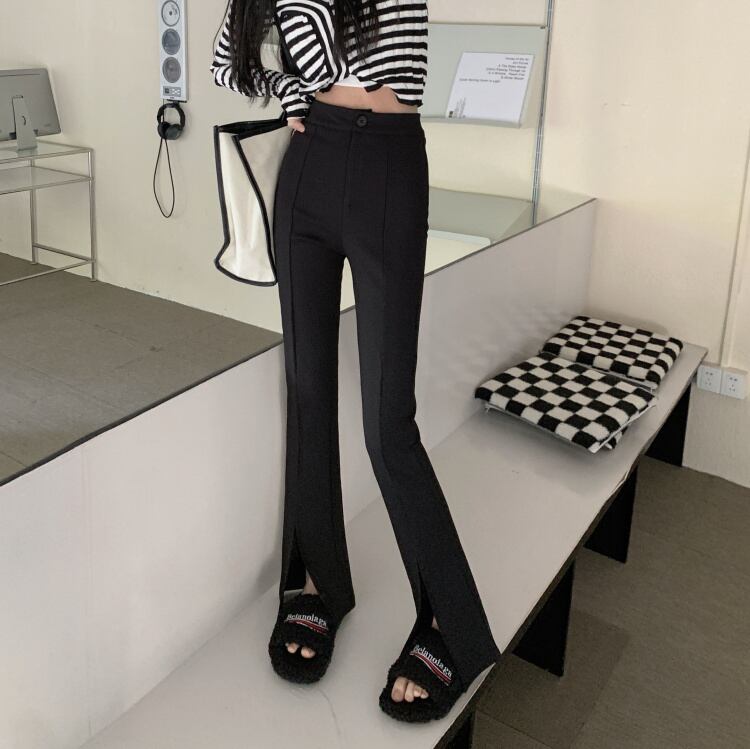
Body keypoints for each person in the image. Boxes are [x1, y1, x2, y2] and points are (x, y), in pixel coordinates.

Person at [210, 0, 501, 722]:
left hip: (387, 168)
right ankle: (320, 582)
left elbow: (350, 60)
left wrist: (302, 62)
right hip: (308, 170)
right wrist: (288, 93)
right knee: (308, 393)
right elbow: (228, 59)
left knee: (386, 424)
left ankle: (452, 625)